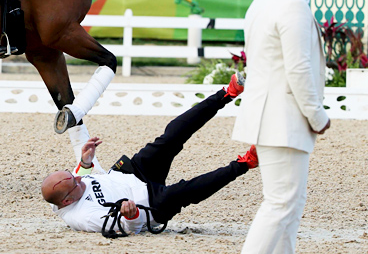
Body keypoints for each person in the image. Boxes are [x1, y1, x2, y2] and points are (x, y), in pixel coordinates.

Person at [42, 76, 258, 234]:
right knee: (186, 190)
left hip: (132, 173)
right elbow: (129, 229)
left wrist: (85, 162)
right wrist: (131, 214)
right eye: (76, 182)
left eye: (74, 175)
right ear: (68, 200)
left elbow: (79, 176)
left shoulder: (65, 189)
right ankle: (246, 162)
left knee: (171, 135)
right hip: (147, 204)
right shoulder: (84, 218)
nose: (79, 178)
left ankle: (227, 93)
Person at [233, 0, 331, 254]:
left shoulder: (261, 1)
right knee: (281, 205)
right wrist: (317, 116)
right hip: (284, 119)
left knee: (288, 204)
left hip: (267, 116)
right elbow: (299, 69)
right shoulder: (293, 4)